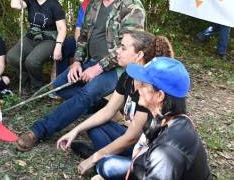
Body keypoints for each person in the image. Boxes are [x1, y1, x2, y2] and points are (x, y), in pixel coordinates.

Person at [16, 0, 146, 151]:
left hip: (119, 69)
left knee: (86, 94)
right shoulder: (94, 4)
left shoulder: (132, 6)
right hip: (91, 62)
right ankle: (104, 108)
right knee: (60, 86)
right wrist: (77, 62)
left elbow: (128, 48)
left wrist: (98, 68)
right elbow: (83, 38)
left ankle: (39, 131)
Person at [56, 30, 174, 179]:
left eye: (123, 48)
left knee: (107, 166)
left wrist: (94, 158)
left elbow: (132, 137)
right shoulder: (127, 76)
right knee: (94, 125)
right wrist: (75, 131)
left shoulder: (149, 87)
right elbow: (108, 110)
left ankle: (110, 162)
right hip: (134, 142)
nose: (117, 51)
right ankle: (108, 159)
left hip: (148, 150)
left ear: (139, 55)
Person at [125, 57, 210, 179]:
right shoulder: (172, 118)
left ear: (160, 95)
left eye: (143, 84)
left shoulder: (166, 152)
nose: (138, 87)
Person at [7, 0, 67, 89]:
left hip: (48, 39)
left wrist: (58, 46)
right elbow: (14, 4)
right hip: (31, 36)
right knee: (12, 57)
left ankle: (37, 86)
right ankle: (27, 78)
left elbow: (62, 28)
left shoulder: (54, 5)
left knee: (32, 61)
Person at [56, 0, 99, 76]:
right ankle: (61, 79)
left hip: (98, 45)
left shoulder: (108, 2)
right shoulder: (85, 4)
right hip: (84, 42)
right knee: (64, 46)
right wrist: (80, 47)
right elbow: (78, 29)